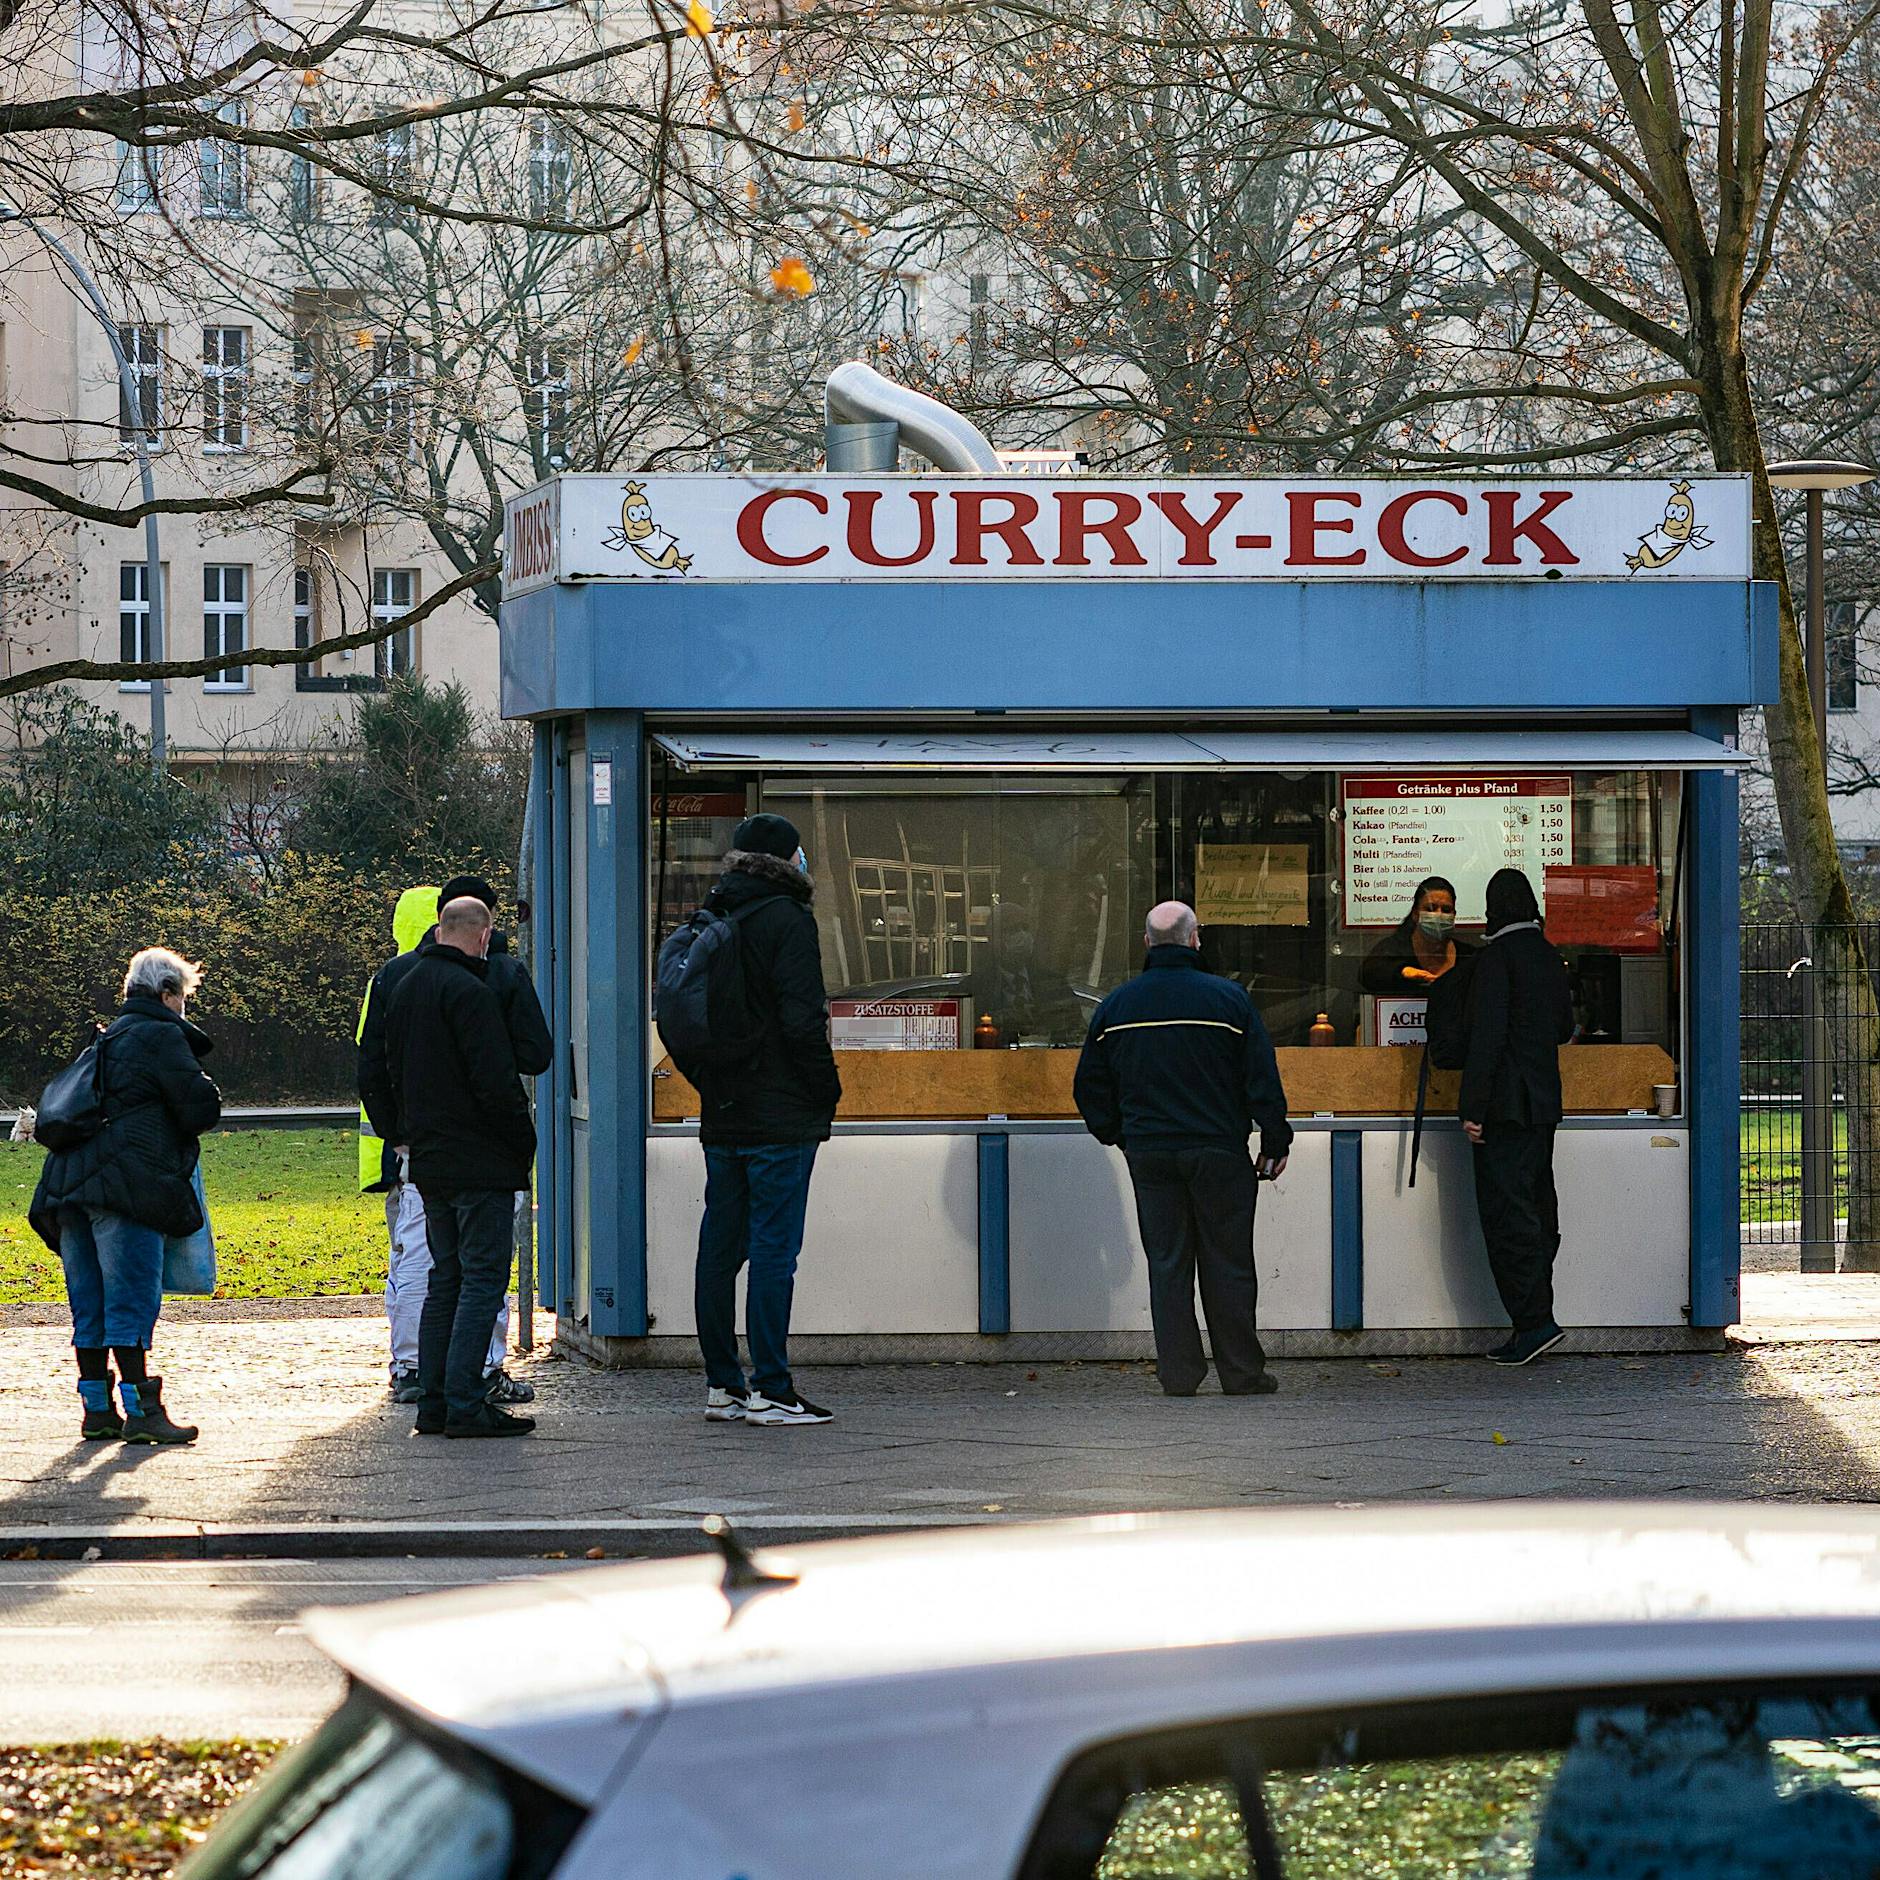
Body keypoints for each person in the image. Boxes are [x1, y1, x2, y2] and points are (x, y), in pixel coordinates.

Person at [1073, 901, 1293, 1398]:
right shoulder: (1229, 1001)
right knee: (1229, 1263)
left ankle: (1178, 1374)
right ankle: (1242, 1372)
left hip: (1151, 1154)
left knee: (1168, 1264)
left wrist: (1121, 1135)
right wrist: (1275, 1137)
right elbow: (1261, 1076)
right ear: (1196, 939)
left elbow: (1089, 1087)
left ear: (1147, 943)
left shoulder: (1117, 1007)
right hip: (1219, 1149)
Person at [672, 813, 842, 1427]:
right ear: (787, 860)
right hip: (779, 1114)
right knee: (774, 1251)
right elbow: (803, 1020)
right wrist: (825, 1090)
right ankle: (772, 1388)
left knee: (719, 1251)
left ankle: (724, 1386)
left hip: (724, 1112)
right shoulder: (787, 919)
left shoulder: (716, 914)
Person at [358, 875, 548, 1406]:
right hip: (483, 1154)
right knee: (483, 1274)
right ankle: (475, 1378)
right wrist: (520, 1145)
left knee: (429, 1267)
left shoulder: (397, 977)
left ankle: (419, 1373)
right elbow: (527, 1060)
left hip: (420, 1154)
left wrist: (397, 1134)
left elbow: (371, 1066)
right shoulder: (495, 978)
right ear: (486, 930)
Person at [28, 948, 220, 1444]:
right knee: (129, 1297)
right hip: (126, 1187)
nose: (184, 1008)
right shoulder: (160, 1035)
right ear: (166, 993)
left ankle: (97, 1410)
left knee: (89, 1302)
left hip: (68, 1188)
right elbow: (199, 1109)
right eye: (183, 997)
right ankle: (143, 1411)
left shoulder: (106, 1037)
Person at [1459, 867, 1576, 1367]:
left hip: (1504, 1107)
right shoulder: (1548, 955)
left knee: (1508, 1215)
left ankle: (1533, 1323)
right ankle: (1536, 1317)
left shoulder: (1496, 959)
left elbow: (1486, 1039)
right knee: (1537, 1206)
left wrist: (1472, 1107)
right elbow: (1564, 1027)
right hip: (1542, 1104)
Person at [1360, 875, 1476, 998]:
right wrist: (1403, 972)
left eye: (1446, 910)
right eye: (1430, 909)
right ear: (1415, 914)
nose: (1438, 914)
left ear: (1454, 915)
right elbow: (1367, 974)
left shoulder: (1468, 955)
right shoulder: (1393, 948)